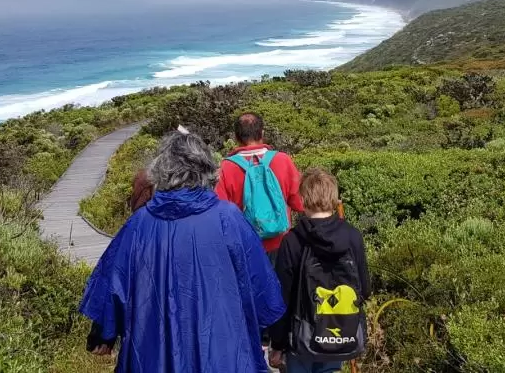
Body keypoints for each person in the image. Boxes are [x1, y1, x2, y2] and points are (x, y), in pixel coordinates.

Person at [80, 130, 286, 373]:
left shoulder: (138, 225)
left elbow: (112, 283)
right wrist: (278, 342)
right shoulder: (229, 219)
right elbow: (263, 292)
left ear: (161, 171)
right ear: (207, 169)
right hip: (225, 354)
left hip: (152, 355)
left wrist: (104, 335)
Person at [268, 168, 370, 373]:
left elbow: (282, 299)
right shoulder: (352, 236)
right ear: (334, 197)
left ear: (303, 199)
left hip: (301, 341)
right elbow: (364, 289)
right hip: (340, 335)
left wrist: (277, 345)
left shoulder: (292, 241)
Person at [216, 112, 304, 259]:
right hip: (281, 245)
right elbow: (300, 203)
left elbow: (221, 214)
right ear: (262, 133)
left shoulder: (226, 167)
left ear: (236, 137)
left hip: (246, 249)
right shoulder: (282, 160)